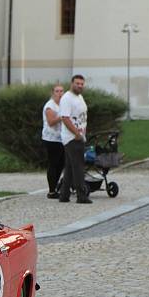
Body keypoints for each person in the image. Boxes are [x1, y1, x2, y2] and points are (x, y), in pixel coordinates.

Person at [59, 75, 90, 204]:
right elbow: (65, 118)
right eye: (77, 83)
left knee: (70, 167)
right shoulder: (67, 98)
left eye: (82, 84)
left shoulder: (79, 97)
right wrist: (76, 133)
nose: (80, 86)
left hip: (80, 136)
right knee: (78, 167)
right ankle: (81, 195)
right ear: (72, 83)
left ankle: (64, 195)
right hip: (72, 138)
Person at [42, 84, 65, 199]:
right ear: (53, 93)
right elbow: (51, 121)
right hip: (51, 139)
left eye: (61, 91)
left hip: (62, 138)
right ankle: (51, 190)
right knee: (53, 164)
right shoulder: (50, 106)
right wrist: (62, 117)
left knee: (61, 163)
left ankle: (56, 186)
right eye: (57, 91)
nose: (60, 93)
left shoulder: (63, 104)